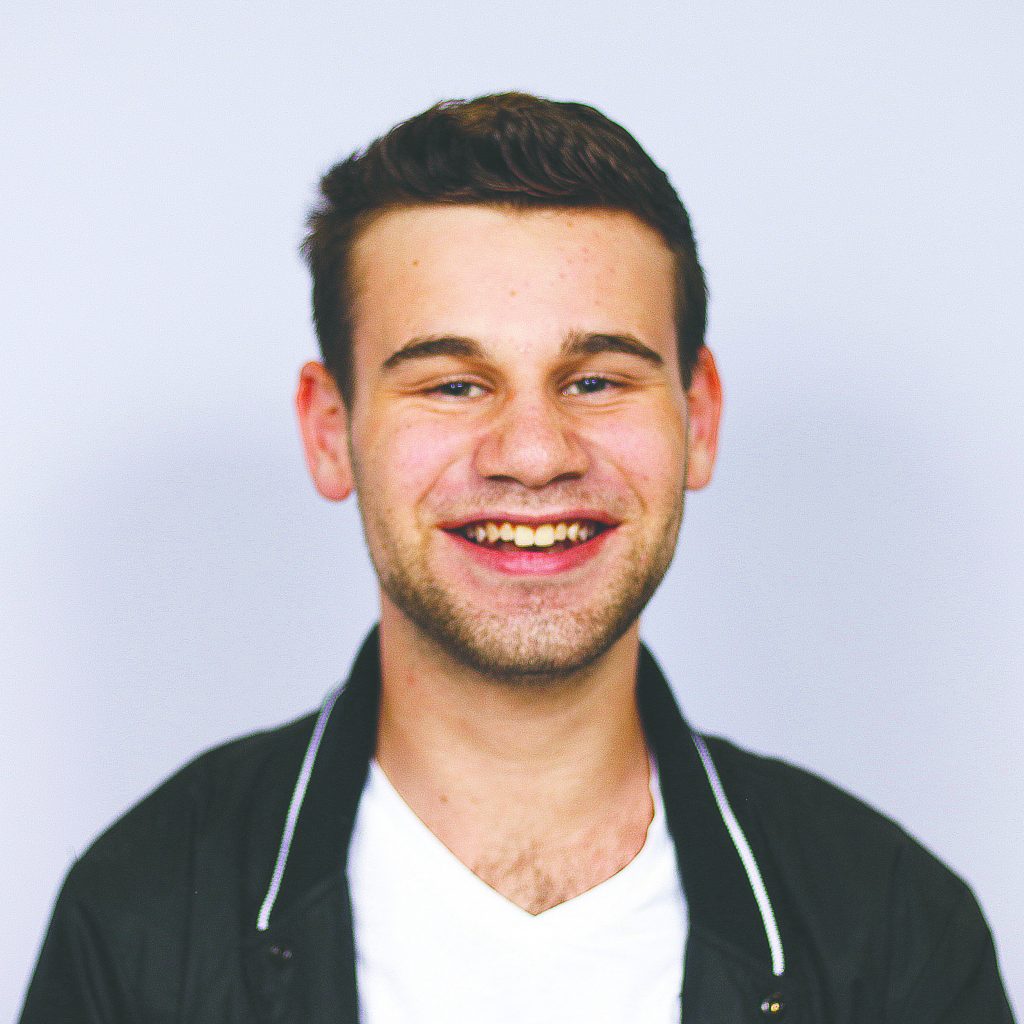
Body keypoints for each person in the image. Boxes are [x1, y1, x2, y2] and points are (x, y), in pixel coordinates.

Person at [20, 92, 1014, 1024]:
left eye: (595, 380)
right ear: (330, 431)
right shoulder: (142, 914)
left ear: (699, 419)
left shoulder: (895, 933)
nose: (533, 454)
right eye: (453, 385)